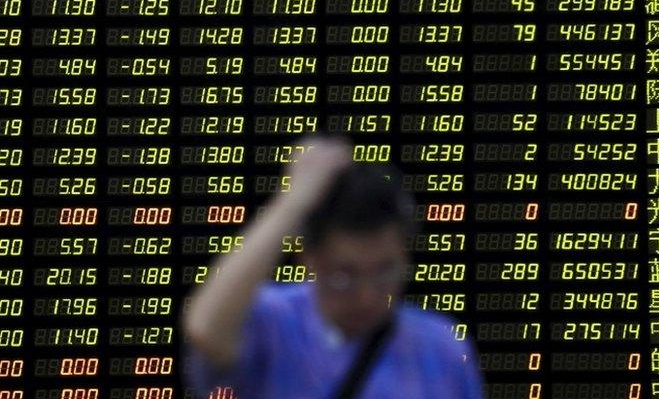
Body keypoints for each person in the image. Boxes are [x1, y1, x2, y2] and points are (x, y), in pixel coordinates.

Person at [182, 134, 485, 399]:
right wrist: (293, 200)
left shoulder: (441, 346)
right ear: (308, 259)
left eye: (384, 273)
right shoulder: (273, 324)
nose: (366, 297)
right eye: (344, 277)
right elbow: (205, 327)